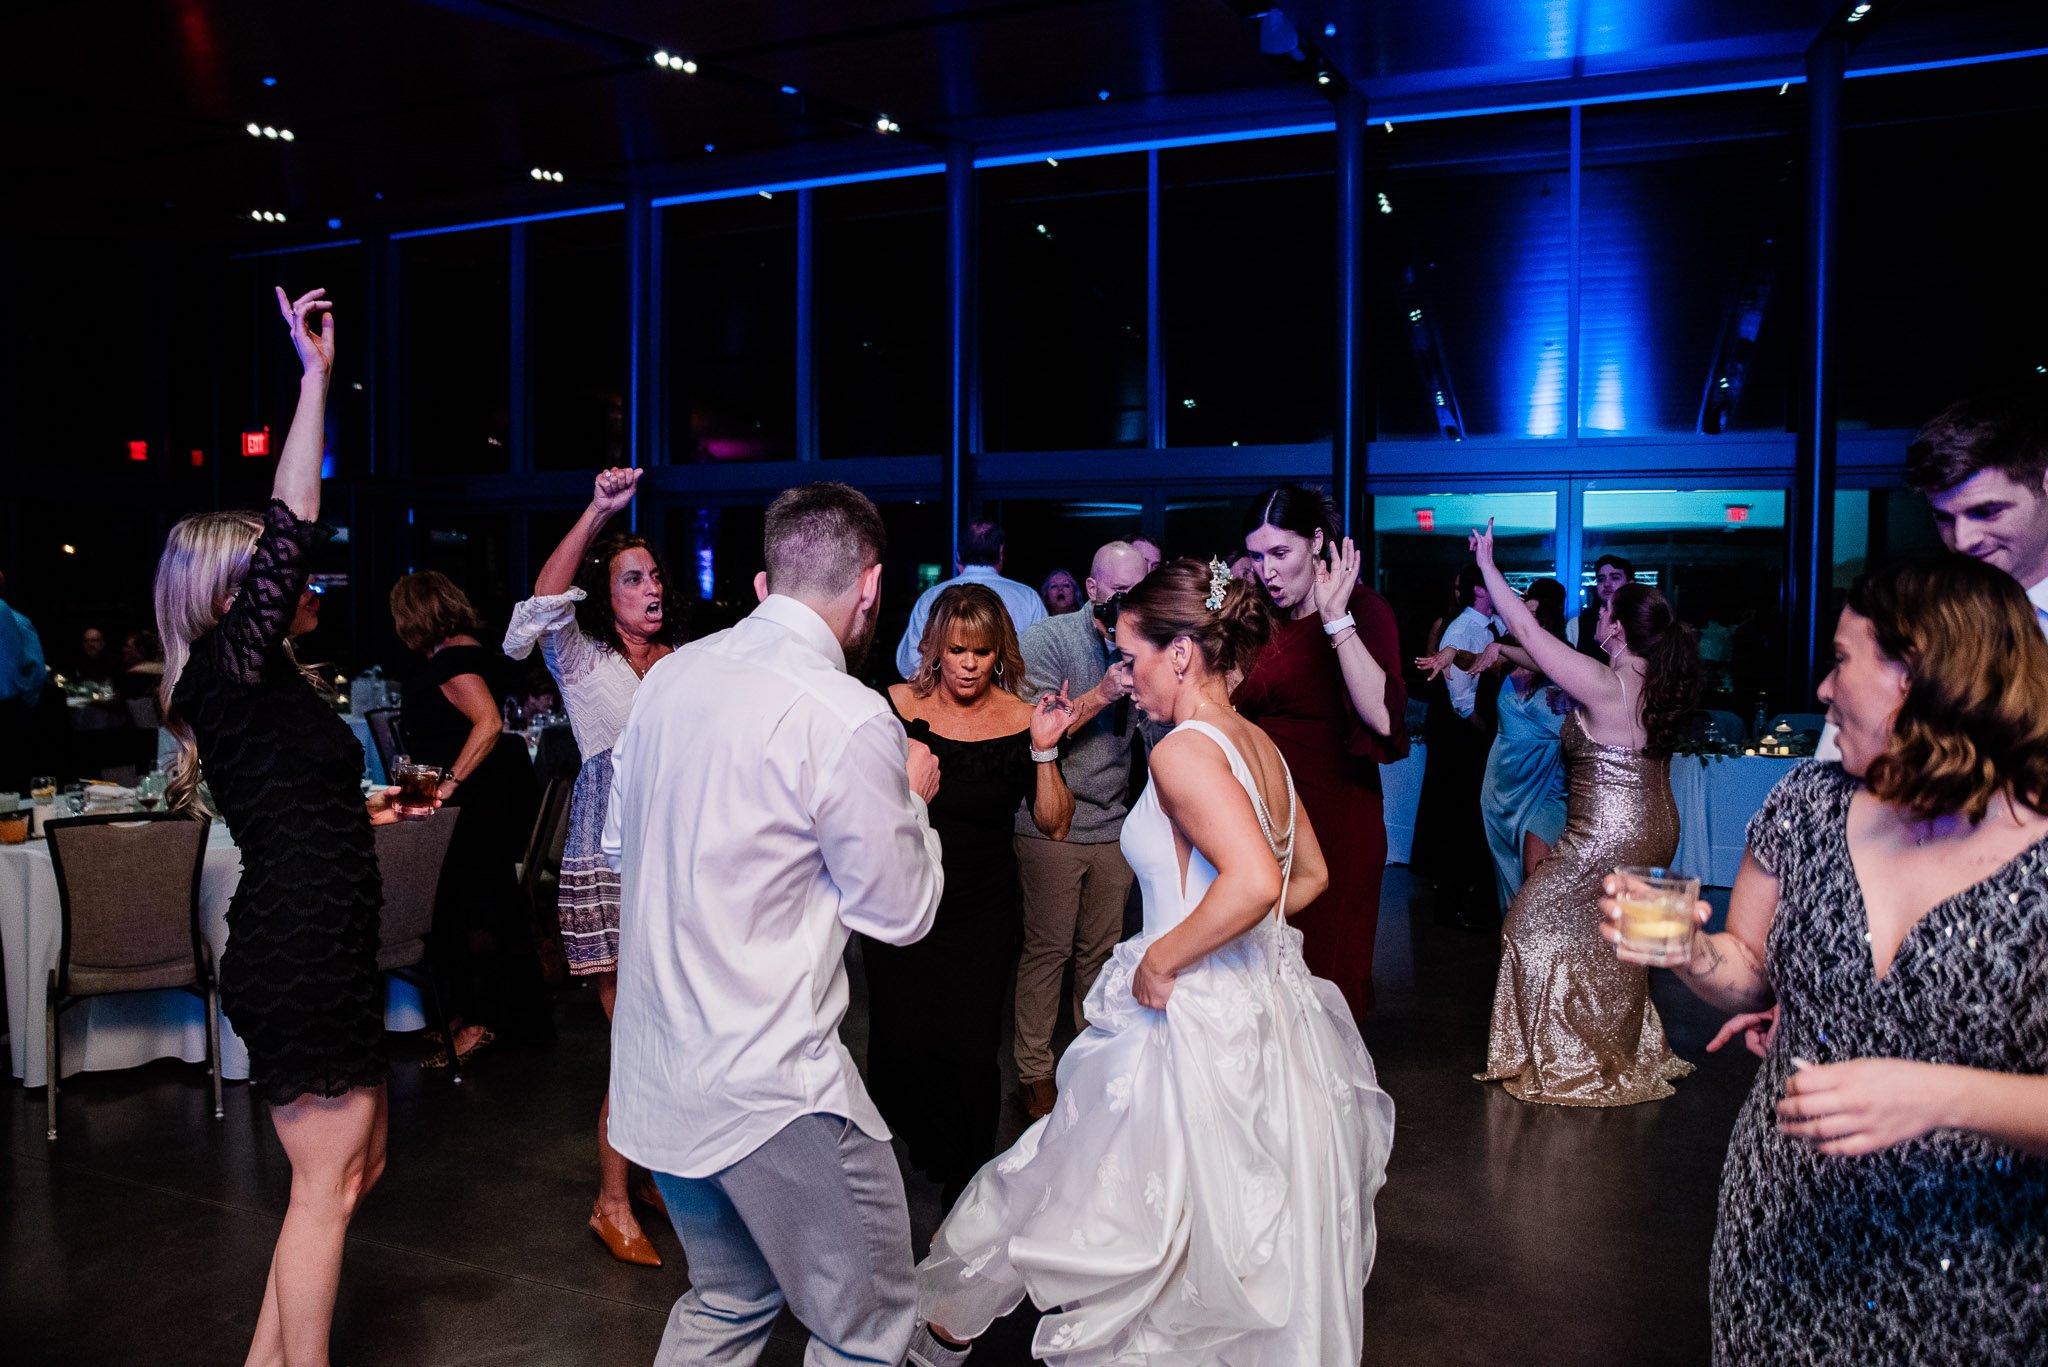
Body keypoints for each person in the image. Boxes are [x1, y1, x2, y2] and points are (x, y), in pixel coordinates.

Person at [907, 558, 1396, 1367]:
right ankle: (954, 1331)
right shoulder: (1259, 744)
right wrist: (1238, 944)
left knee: (1084, 1191)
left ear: (1181, 654)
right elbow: (1303, 877)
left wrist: (1164, 955)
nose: (1121, 677)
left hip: (1183, 1020)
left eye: (1130, 659)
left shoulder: (1184, 752)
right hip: (1263, 1013)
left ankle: (944, 1335)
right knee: (1209, 1218)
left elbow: (1253, 879)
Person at [1604, 556, 2048, 1362]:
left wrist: (1938, 1095)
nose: (1822, 688)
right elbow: (1749, 967)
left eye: (1843, 660)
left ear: (1920, 676)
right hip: (1783, 1222)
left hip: (1972, 1270)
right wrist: (1691, 952)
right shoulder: (1806, 806)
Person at [603, 481, 947, 1367]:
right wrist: (910, 802)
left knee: (727, 1297)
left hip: (658, 1074)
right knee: (866, 1330)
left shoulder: (670, 677)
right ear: (870, 586)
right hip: (771, 1090)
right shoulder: (846, 713)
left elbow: (617, 843)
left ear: (767, 580)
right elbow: (899, 912)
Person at [156, 287, 416, 1367]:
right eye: (267, 570)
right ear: (233, 595)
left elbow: (299, 794)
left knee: (352, 1172)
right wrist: (313, 380)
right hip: (297, 940)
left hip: (318, 933)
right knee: (326, 1183)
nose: (296, 578)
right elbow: (295, 521)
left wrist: (367, 806)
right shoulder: (232, 663)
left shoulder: (248, 685)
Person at [1730, 391, 2048, 1056]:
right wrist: (1812, 981)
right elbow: (1839, 785)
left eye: (1987, 510)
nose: (1964, 539)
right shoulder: (1910, 613)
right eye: (1944, 518)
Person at [504, 465, 683, 1268]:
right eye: (632, 577)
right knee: (637, 1035)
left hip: (673, 860)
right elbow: (542, 599)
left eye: (655, 576)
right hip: (609, 861)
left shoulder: (683, 661)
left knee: (665, 1027)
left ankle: (637, 1172)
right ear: (605, 594)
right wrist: (598, 509)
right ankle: (610, 1200)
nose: (650, 587)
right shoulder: (579, 661)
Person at [1466, 518, 1700, 1106]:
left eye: (1604, 610)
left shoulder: (1607, 684)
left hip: (1609, 830)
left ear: (1618, 631)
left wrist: (1489, 565)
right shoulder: (1653, 682)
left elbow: (1525, 625)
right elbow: (1538, 654)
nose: (1597, 615)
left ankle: (1569, 1061)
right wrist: (1503, 649)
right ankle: (1629, 1051)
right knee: (1623, 946)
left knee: (1526, 928)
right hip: (1658, 826)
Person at [872, 583, 1075, 1207]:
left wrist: (1044, 750)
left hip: (982, 911)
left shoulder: (1020, 717)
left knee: (970, 1059)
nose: (968, 663)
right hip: (904, 904)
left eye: (982, 652)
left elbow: (1055, 822)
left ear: (999, 654)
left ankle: (963, 1200)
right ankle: (935, 1156)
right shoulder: (894, 706)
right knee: (898, 1060)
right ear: (936, 647)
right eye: (957, 649)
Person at [1233, 483, 1405, 1018]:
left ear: (1316, 542)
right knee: (1265, 982)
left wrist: (1336, 621)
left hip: (1336, 823)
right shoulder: (1260, 616)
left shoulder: (1364, 609)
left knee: (1325, 982)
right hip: (1266, 824)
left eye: (1280, 553)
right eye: (1258, 555)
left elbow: (1380, 715)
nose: (1268, 570)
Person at [1009, 540, 1149, 1120]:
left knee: (1100, 954)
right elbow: (1034, 732)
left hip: (1114, 822)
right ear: (1091, 590)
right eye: (1119, 593)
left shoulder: (1145, 637)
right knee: (1048, 950)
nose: (1129, 602)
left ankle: (1089, 1064)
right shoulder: (1049, 639)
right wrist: (1105, 691)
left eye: (1140, 590)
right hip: (1052, 824)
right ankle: (1034, 1070)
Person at [392, 571, 549, 1067]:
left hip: (471, 807)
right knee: (478, 905)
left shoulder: (452, 662)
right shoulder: (467, 650)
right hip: (485, 804)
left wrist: (450, 782)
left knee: (469, 908)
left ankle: (480, 1022)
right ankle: (473, 1017)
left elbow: (489, 722)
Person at [1422, 578, 1573, 912]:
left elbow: (1544, 662)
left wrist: (1502, 648)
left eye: (1534, 617)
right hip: (1501, 784)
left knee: (1535, 874)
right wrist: (1452, 653)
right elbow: (1472, 661)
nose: (1526, 624)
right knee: (1506, 874)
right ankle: (1515, 945)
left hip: (1544, 784)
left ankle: (1536, 943)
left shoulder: (1563, 665)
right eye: (1523, 617)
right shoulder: (1507, 665)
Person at [1411, 561, 1504, 924]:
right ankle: (1452, 905)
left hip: (1476, 732)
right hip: (1465, 735)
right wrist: (1485, 730)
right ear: (1479, 590)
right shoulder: (1463, 629)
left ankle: (1469, 895)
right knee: (1460, 816)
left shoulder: (1492, 626)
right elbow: (1460, 697)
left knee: (1468, 816)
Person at [894, 520, 1045, 680]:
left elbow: (911, 664)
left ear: (957, 555)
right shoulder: (1028, 598)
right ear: (1001, 552)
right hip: (1014, 699)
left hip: (945, 701)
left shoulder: (931, 597)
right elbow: (1042, 659)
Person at [0, 570, 49, 790]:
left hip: (8, 708)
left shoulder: (3, 613)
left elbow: (13, 676)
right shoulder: (18, 618)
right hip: (17, 706)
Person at [1568, 553, 1634, 657]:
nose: (1607, 584)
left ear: (1630, 584)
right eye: (1601, 579)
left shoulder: (1642, 622)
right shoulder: (1578, 624)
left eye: (1615, 577)